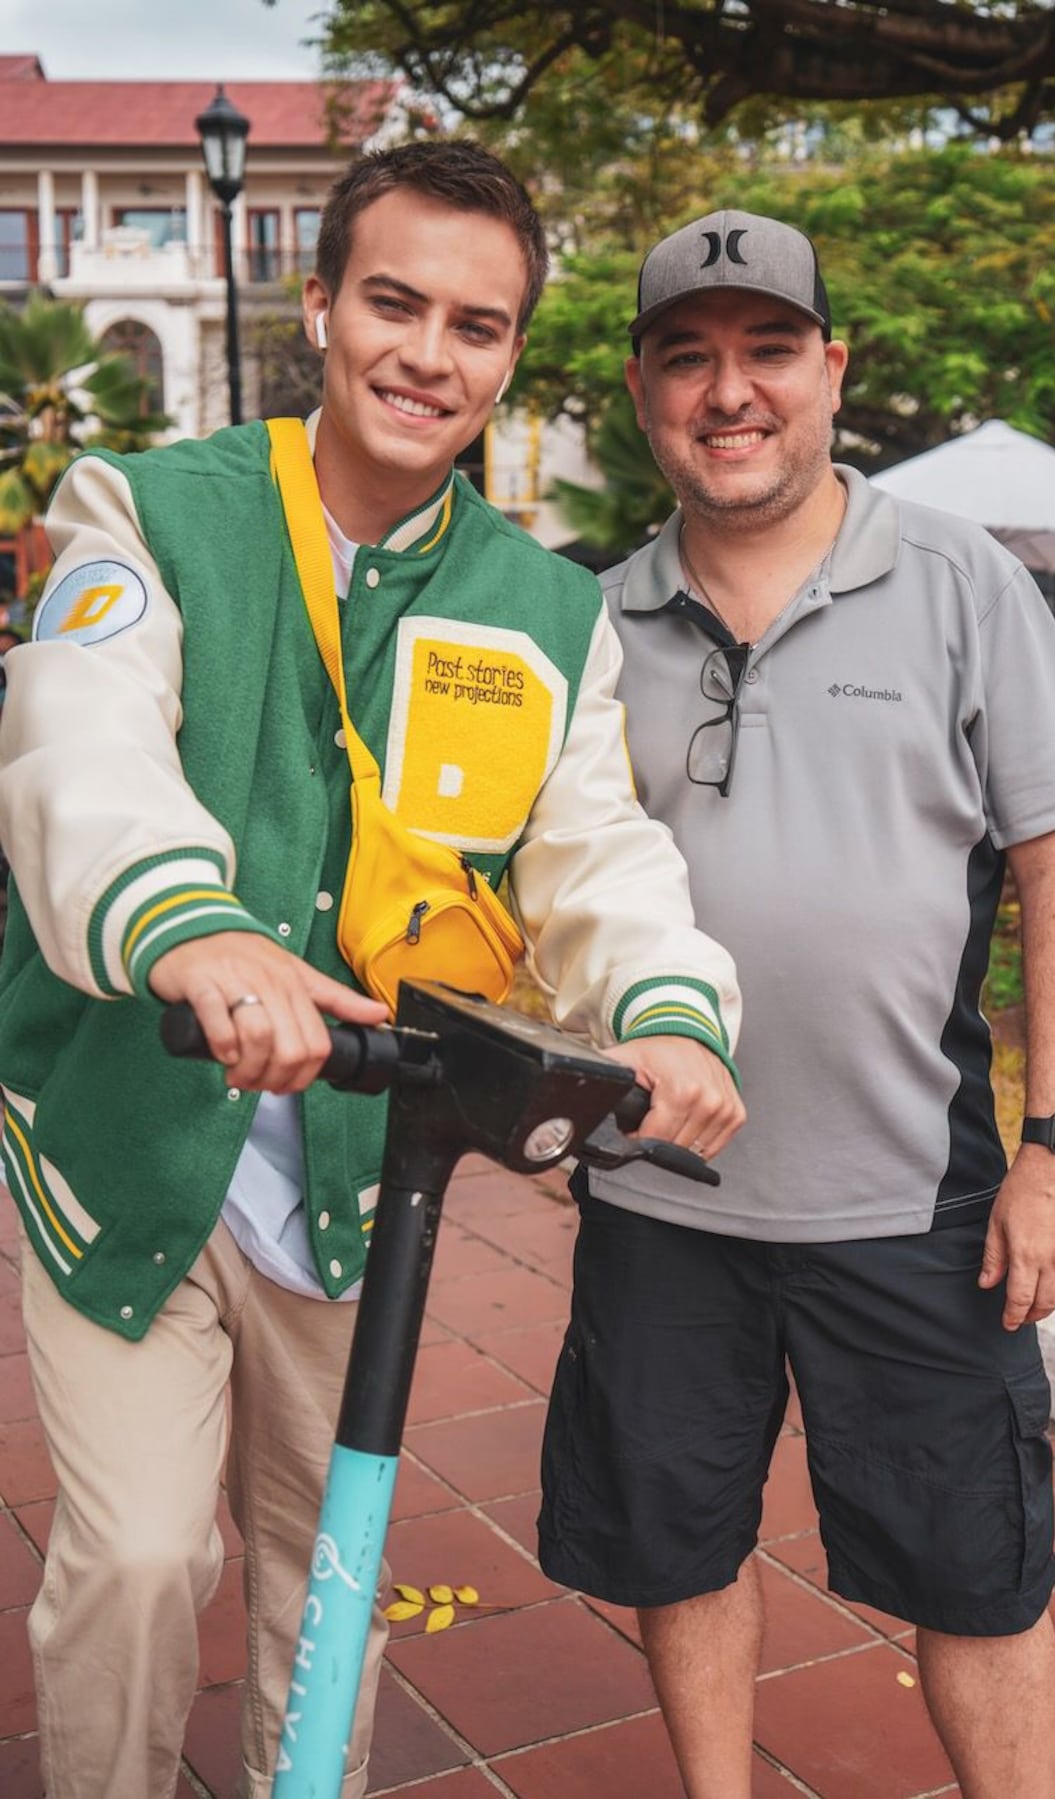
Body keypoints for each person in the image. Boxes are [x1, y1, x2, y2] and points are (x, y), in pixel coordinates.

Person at [0, 143, 744, 1799]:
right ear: (320, 303)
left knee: (319, 1586)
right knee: (131, 1565)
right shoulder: (149, 505)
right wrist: (187, 926)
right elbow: (79, 733)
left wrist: (669, 1011)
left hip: (357, 1177)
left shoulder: (543, 609)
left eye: (477, 327)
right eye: (394, 303)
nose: (429, 355)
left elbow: (594, 852)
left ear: (510, 358)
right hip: (132, 1142)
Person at [537, 209, 1055, 1799]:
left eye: (767, 350)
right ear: (644, 394)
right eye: (688, 358)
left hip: (914, 1197)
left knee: (977, 1573)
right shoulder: (584, 620)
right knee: (675, 1547)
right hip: (661, 1195)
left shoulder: (962, 584)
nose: (730, 392)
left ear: (831, 370)